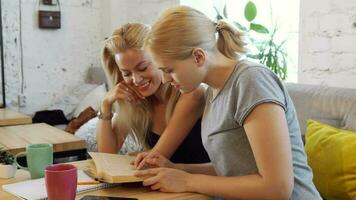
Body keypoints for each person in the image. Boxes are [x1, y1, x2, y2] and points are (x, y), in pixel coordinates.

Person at [134, 6, 322, 200]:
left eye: (169, 70)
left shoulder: (251, 80)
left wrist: (188, 181)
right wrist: (176, 169)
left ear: (198, 57)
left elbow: (277, 188)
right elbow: (235, 169)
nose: (165, 80)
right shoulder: (212, 93)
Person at [96, 23, 210, 165]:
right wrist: (105, 104)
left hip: (201, 184)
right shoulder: (137, 101)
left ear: (159, 58)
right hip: (164, 184)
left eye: (143, 68)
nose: (136, 80)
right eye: (126, 73)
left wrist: (143, 155)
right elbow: (106, 155)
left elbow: (155, 159)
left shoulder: (192, 93)